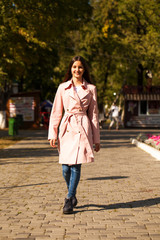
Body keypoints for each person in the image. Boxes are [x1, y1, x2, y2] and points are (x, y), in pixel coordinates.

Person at [48, 56, 100, 214]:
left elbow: (94, 115)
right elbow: (56, 112)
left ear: (84, 70)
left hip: (82, 127)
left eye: (80, 67)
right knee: (65, 168)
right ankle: (73, 193)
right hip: (66, 127)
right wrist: (53, 133)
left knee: (76, 165)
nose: (77, 70)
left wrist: (96, 139)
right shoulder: (62, 87)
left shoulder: (91, 89)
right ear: (70, 69)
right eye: (74, 67)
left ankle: (69, 199)